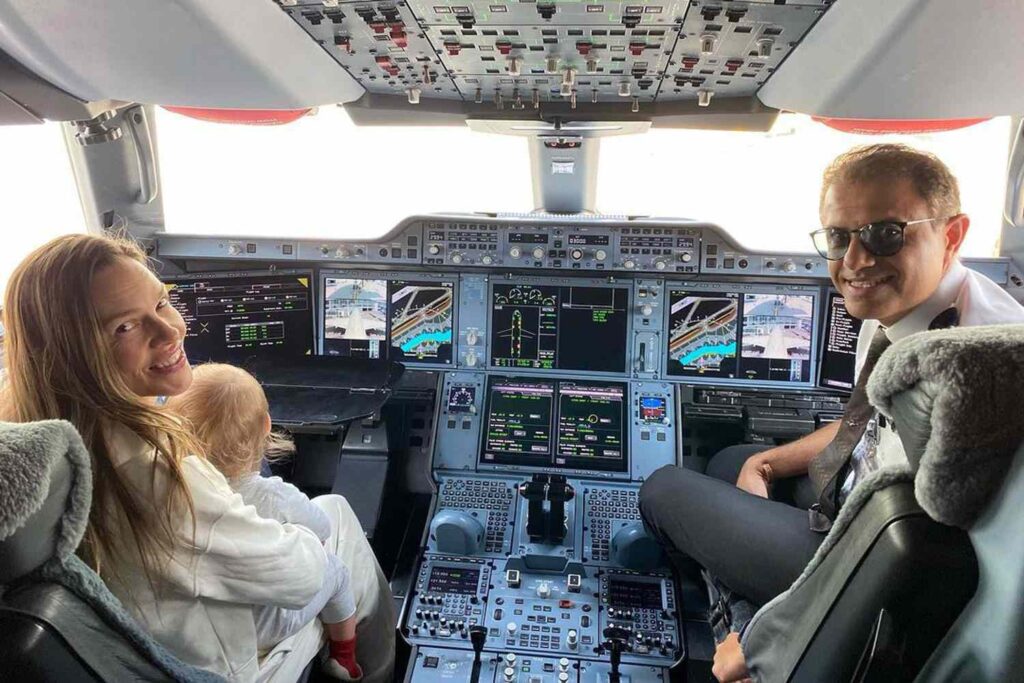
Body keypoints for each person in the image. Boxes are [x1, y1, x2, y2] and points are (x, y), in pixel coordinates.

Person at [637, 143, 1024, 682]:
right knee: (732, 462)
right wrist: (768, 464)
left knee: (663, 491)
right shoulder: (899, 305)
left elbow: (919, 555)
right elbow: (865, 427)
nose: (856, 261)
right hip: (854, 502)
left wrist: (770, 638)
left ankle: (739, 632)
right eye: (840, 237)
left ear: (952, 234)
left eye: (886, 233)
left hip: (866, 561)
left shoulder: (970, 365)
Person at [0, 234, 395, 682]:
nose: (170, 332)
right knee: (336, 524)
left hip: (144, 637)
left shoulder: (27, 428)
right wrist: (293, 530)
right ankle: (368, 672)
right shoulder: (159, 478)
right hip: (223, 664)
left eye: (162, 304)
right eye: (124, 327)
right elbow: (300, 575)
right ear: (71, 353)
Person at [165, 363, 363, 681]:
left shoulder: (166, 489)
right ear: (267, 425)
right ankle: (345, 658)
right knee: (336, 571)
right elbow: (322, 530)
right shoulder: (273, 495)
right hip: (261, 626)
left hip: (198, 626)